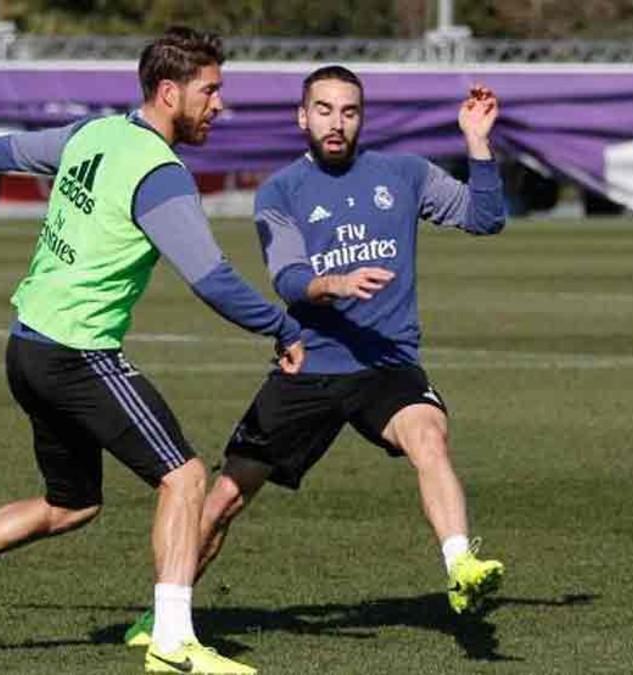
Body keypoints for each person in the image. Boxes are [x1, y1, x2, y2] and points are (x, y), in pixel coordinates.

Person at [0, 27, 304, 674]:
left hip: (27, 346)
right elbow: (211, 278)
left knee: (71, 504)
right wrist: (283, 326)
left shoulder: (95, 134)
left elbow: (6, 149)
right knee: (185, 478)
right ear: (168, 91)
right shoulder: (160, 174)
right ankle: (173, 641)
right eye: (209, 91)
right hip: (76, 352)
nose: (219, 105)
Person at [123, 65, 508, 647]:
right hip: (311, 364)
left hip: (385, 364)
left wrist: (477, 144)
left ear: (361, 119)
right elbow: (289, 277)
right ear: (303, 117)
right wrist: (335, 284)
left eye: (349, 112)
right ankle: (164, 614)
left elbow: (486, 217)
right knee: (227, 495)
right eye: (324, 110)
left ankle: (460, 565)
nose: (336, 123)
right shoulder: (280, 191)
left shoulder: (405, 174)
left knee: (429, 436)